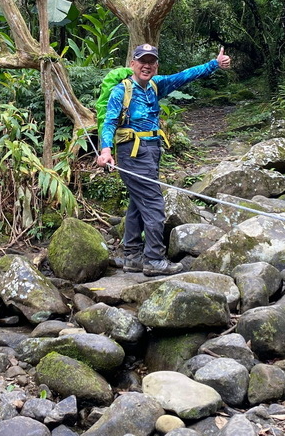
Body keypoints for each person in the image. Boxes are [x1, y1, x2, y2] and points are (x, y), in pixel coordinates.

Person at [97, 43, 231, 277]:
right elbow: (109, 121)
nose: (146, 66)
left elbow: (184, 76)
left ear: (156, 66)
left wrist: (214, 65)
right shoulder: (122, 90)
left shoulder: (156, 85)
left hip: (152, 150)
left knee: (139, 203)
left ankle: (132, 256)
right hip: (132, 152)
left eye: (151, 62)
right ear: (133, 64)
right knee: (154, 205)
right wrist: (106, 150)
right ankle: (154, 259)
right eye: (142, 61)